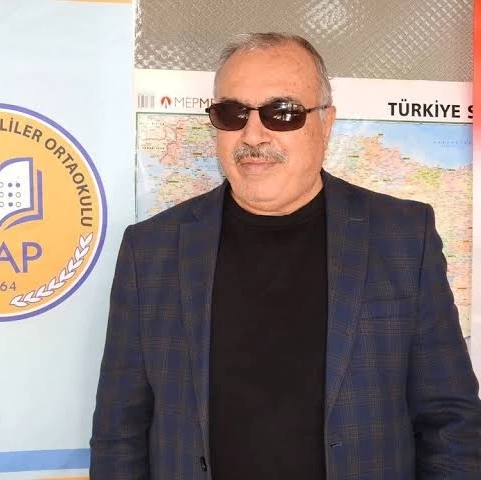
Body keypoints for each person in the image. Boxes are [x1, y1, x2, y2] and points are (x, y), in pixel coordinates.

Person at [89, 32, 481, 479]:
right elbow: (119, 435)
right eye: (232, 113)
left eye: (283, 113)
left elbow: (451, 423)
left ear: (326, 124)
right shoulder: (150, 251)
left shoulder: (404, 238)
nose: (253, 134)